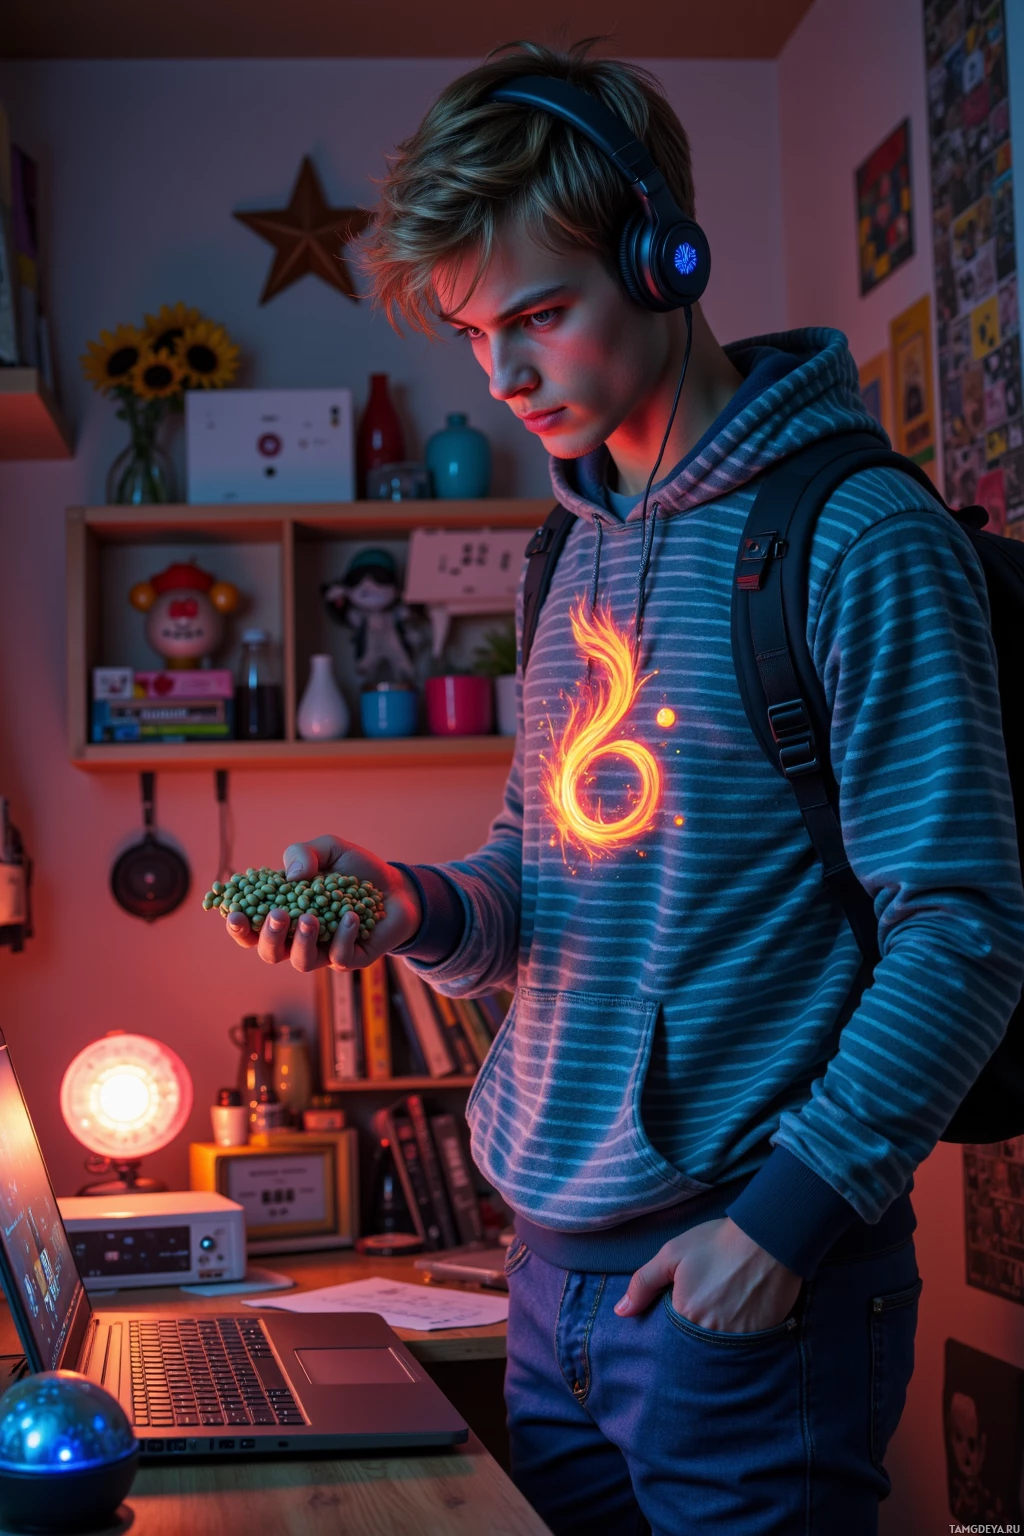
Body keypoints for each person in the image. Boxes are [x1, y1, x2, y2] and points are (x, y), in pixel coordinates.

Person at [223, 41, 1024, 1536]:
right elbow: (545, 894)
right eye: (473, 335)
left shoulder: (858, 540)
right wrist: (403, 904)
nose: (505, 376)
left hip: (737, 1284)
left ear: (667, 258)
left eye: (538, 316)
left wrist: (781, 1229)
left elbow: (962, 927)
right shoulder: (568, 549)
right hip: (548, 1281)